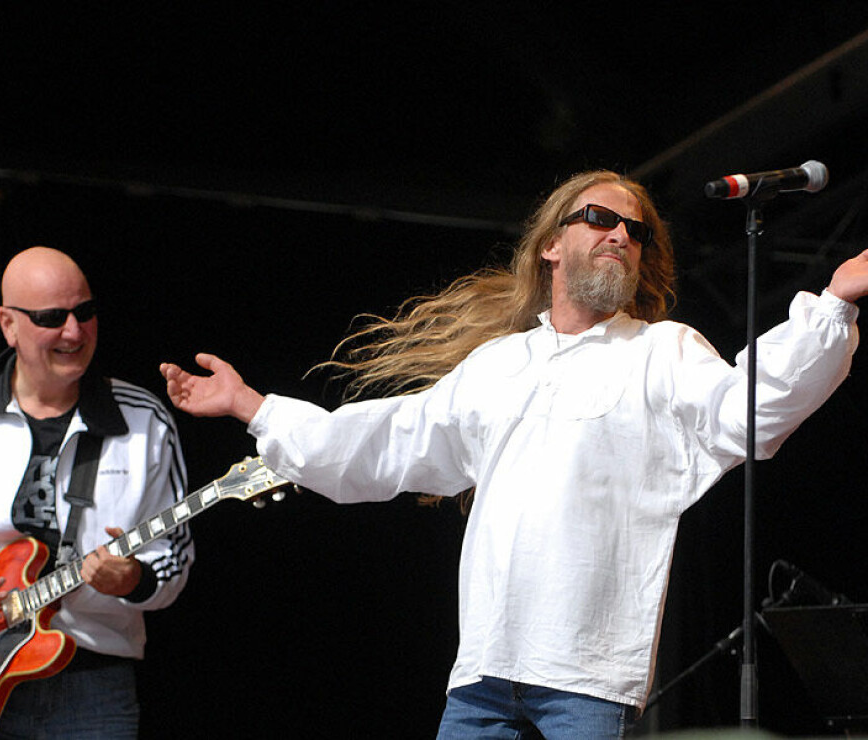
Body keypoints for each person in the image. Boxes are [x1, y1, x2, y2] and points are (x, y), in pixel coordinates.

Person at [160, 170, 868, 738]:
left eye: (637, 230)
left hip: (587, 678)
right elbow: (386, 443)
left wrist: (833, 303)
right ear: (551, 245)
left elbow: (747, 410)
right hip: (483, 673)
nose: (621, 234)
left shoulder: (661, 351)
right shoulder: (499, 364)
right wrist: (251, 405)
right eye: (601, 217)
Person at [0, 246, 194, 739]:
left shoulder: (144, 419)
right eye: (51, 318)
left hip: (91, 682)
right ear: (8, 324)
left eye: (85, 312)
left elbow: (175, 557)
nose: (74, 332)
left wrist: (134, 579)